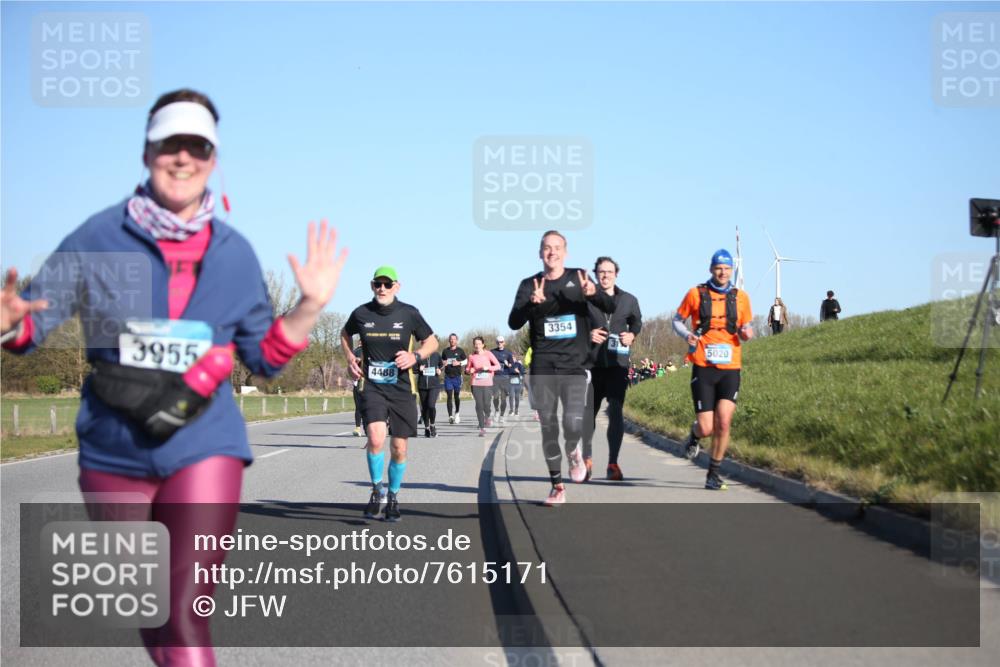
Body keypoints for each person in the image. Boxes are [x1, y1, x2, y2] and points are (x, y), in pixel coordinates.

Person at [0, 88, 348, 666]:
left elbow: (265, 359)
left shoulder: (234, 254)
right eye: (170, 144)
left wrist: (309, 307)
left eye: (197, 146)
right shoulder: (96, 237)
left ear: (213, 160)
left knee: (184, 610)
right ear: (147, 152)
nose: (183, 157)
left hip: (204, 444)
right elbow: (33, 324)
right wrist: (10, 323)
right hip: (114, 449)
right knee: (151, 607)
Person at [508, 230, 614, 506]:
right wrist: (530, 304)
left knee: (572, 422)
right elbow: (513, 322)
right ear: (540, 252)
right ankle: (557, 486)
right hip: (543, 365)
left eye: (557, 247)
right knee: (548, 427)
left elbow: (609, 305)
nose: (552, 252)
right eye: (547, 247)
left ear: (565, 252)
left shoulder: (579, 278)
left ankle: (573, 451)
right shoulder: (529, 284)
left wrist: (594, 294)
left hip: (574, 365)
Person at [342, 266, 437, 522]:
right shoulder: (361, 313)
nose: (382, 289)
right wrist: (350, 358)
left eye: (387, 284)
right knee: (375, 438)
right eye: (377, 284)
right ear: (372, 285)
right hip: (372, 386)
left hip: (401, 388)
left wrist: (415, 356)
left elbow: (432, 341)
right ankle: (377, 490)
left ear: (397, 286)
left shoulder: (409, 313)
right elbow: (345, 333)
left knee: (399, 447)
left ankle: (393, 495)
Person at [672, 249, 753, 491]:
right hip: (704, 367)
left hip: (731, 368)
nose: (723, 272)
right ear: (711, 269)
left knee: (724, 422)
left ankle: (713, 474)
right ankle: (695, 435)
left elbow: (746, 327)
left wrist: (747, 333)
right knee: (707, 427)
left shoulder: (741, 297)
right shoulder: (695, 294)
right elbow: (677, 320)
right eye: (719, 268)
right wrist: (686, 335)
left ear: (732, 271)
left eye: (727, 268)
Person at [582, 256, 642, 482]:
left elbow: (637, 322)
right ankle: (586, 459)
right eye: (601, 272)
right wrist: (587, 334)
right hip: (592, 365)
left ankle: (613, 463)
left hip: (618, 365)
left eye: (609, 271)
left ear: (616, 274)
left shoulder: (629, 299)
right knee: (589, 413)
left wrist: (632, 335)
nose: (605, 275)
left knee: (616, 410)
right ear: (596, 274)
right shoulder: (585, 300)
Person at [465, 336, 501, 436]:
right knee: (479, 405)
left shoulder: (488, 354)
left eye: (479, 344)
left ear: (483, 344)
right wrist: (469, 370)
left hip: (487, 383)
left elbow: (498, 366)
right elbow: (467, 369)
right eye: (475, 344)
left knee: (486, 405)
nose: (477, 346)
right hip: (475, 383)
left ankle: (487, 416)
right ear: (474, 345)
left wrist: (488, 368)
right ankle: (482, 428)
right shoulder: (471, 356)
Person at [415, 347, 443, 437]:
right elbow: (413, 369)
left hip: (434, 385)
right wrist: (419, 369)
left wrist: (440, 370)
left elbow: (441, 365)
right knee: (424, 407)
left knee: (431, 405)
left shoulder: (436, 355)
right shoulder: (418, 355)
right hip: (422, 385)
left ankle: (432, 426)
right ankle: (426, 428)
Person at [440, 333, 467, 424]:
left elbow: (466, 361)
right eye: (451, 339)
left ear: (456, 340)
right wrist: (443, 364)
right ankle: (450, 416)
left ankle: (457, 413)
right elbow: (442, 363)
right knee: (449, 396)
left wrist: (459, 363)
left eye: (454, 339)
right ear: (449, 340)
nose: (452, 340)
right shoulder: (445, 351)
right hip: (448, 377)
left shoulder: (460, 351)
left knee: (456, 396)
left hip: (457, 377)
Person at [490, 335, 515, 424]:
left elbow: (512, 365)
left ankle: (502, 415)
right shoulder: (492, 352)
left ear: (504, 342)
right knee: (496, 397)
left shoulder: (508, 353)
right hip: (495, 377)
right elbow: (488, 362)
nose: (499, 343)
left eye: (501, 342)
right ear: (496, 343)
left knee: (503, 398)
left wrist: (508, 364)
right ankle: (497, 410)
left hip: (505, 377)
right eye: (498, 342)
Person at [352, 344, 365, 436]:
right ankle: (357, 428)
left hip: (370, 382)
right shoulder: (356, 351)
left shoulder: (374, 349)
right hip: (359, 381)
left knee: (369, 406)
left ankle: (367, 426)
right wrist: (355, 362)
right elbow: (351, 365)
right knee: (358, 406)